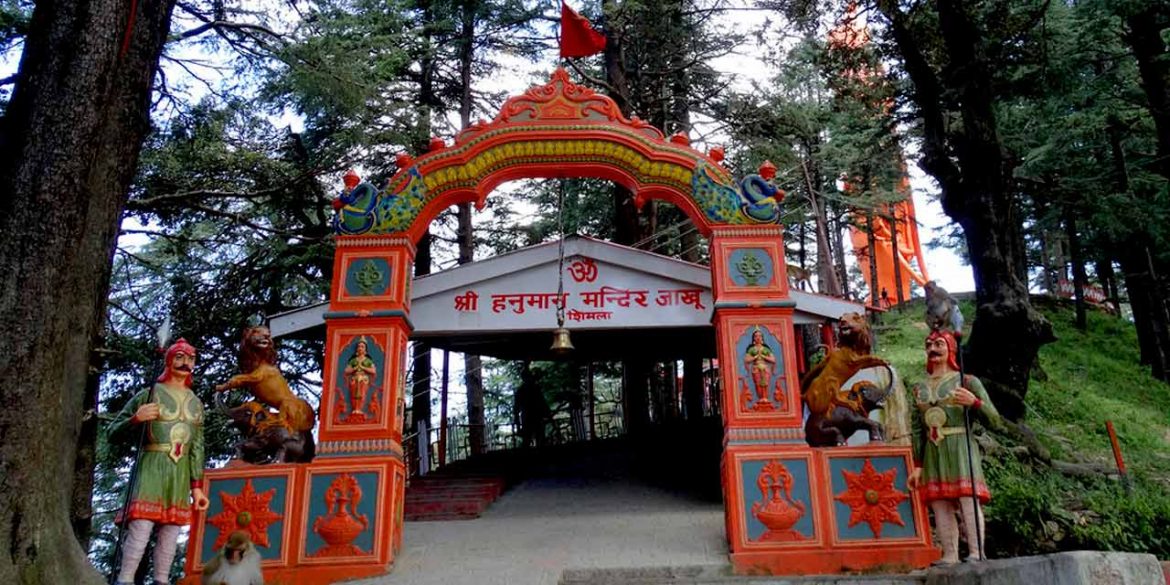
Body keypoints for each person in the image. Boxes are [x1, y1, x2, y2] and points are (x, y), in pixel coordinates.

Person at [109, 338, 210, 585]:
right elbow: (113, 432)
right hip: (152, 466)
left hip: (180, 472)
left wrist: (196, 488)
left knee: (171, 532)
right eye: (179, 357)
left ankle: (161, 580)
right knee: (141, 528)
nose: (185, 363)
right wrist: (135, 419)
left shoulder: (196, 403)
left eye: (190, 359)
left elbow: (197, 446)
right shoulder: (149, 395)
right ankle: (125, 579)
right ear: (168, 360)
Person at [907, 330, 1002, 564]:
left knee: (967, 498)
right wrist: (917, 464)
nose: (933, 348)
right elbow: (917, 430)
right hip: (933, 448)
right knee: (939, 503)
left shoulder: (967, 381)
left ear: (951, 349)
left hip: (960, 444)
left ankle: (976, 551)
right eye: (929, 344)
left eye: (939, 344)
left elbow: (996, 420)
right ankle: (949, 554)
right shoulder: (919, 388)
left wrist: (975, 402)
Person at [344, 337, 377, 418]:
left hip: (363, 379)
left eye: (362, 347)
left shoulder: (368, 360)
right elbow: (346, 371)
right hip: (354, 379)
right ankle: (355, 408)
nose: (360, 348)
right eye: (359, 346)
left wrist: (363, 367)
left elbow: (373, 371)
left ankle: (360, 409)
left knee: (361, 394)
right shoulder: (354, 360)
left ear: (365, 350)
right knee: (354, 394)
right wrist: (354, 369)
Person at [743, 327, 777, 405]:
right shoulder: (751, 349)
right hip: (756, 368)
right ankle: (760, 398)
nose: (758, 338)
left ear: (762, 338)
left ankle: (765, 398)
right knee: (758, 384)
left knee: (766, 384)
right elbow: (746, 360)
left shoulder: (766, 349)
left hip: (765, 368)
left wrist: (764, 356)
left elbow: (773, 359)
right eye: (756, 336)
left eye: (760, 336)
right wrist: (754, 357)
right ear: (753, 338)